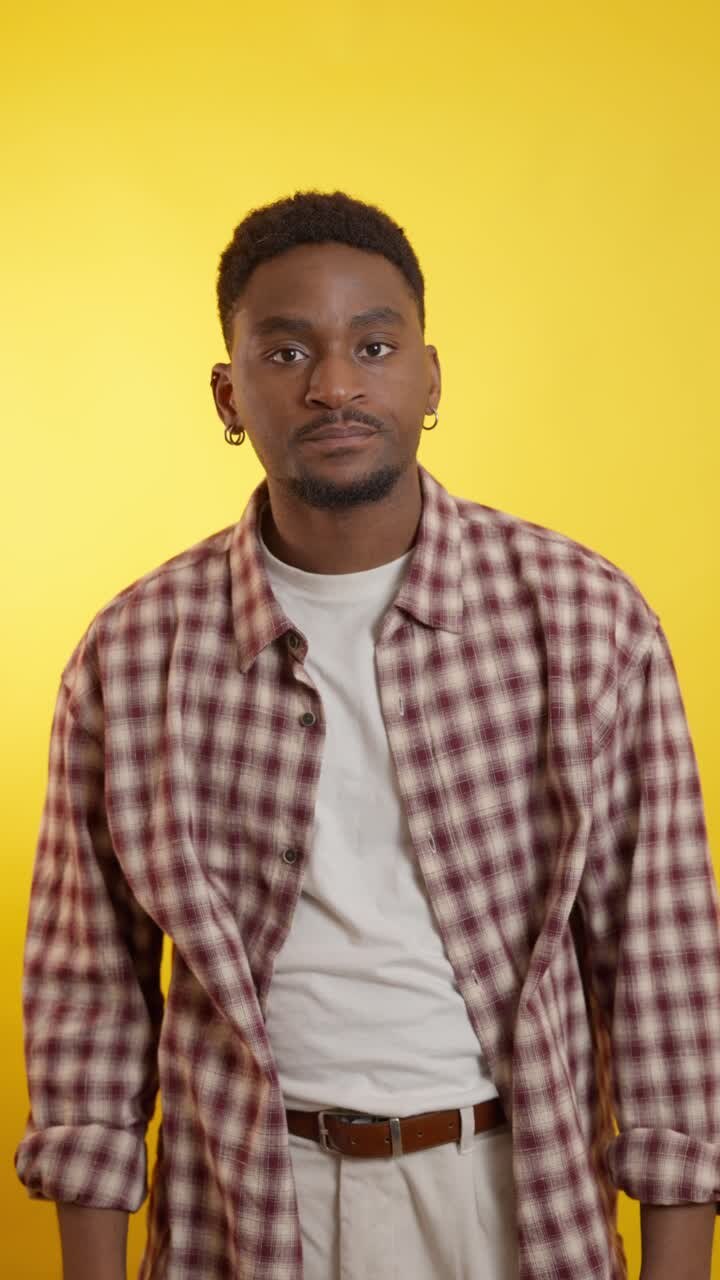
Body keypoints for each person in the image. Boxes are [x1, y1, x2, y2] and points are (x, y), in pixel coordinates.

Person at [14, 189, 720, 1280]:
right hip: (244, 1209)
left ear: (428, 378)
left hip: (505, 1199)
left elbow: (665, 965)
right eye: (285, 349)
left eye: (374, 344)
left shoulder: (586, 619)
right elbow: (88, 988)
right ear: (228, 392)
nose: (334, 383)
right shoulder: (134, 650)